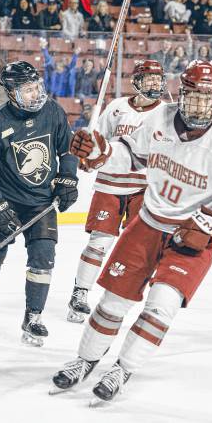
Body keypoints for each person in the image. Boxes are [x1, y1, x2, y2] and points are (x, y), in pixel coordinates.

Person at [52, 60, 212, 403]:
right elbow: (131, 157)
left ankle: (123, 368)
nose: (197, 105)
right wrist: (101, 153)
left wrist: (210, 223)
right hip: (148, 223)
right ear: (181, 95)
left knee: (160, 307)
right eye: (192, 97)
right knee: (112, 302)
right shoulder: (158, 119)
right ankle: (85, 360)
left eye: (205, 98)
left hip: (191, 236)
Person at [0, 61, 79, 346]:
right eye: (27, 90)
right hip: (6, 202)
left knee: (43, 260)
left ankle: (33, 317)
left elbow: (68, 149)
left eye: (36, 87)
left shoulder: (52, 111)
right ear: (11, 92)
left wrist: (68, 178)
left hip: (41, 204)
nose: (35, 94)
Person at [66, 60, 165, 323]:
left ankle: (126, 299)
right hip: (109, 184)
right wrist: (87, 155)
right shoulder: (116, 108)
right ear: (136, 82)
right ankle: (80, 292)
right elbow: (96, 142)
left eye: (158, 79)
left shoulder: (166, 113)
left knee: (141, 248)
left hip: (143, 188)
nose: (155, 83)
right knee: (99, 242)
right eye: (149, 79)